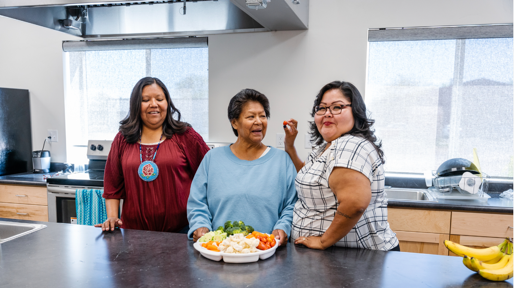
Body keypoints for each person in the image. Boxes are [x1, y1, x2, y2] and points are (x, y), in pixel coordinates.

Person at [283, 81, 399, 251]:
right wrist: (290, 147)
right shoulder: (327, 147)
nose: (327, 114)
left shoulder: (349, 145)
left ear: (356, 112)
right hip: (339, 257)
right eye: (322, 108)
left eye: (337, 107)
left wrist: (323, 241)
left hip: (356, 259)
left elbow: (355, 203)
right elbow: (313, 180)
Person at [95, 77, 210, 233]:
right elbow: (112, 185)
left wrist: (203, 221)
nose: (153, 104)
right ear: (136, 105)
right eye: (145, 100)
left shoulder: (186, 136)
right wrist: (113, 217)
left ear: (167, 103)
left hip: (182, 232)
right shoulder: (123, 139)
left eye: (159, 99)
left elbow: (209, 177)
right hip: (133, 234)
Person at [187, 89, 297, 246]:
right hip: (219, 251)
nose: (258, 121)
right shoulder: (212, 158)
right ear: (234, 122)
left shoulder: (282, 161)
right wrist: (200, 225)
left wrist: (283, 227)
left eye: (263, 116)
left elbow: (292, 204)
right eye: (251, 116)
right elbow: (197, 202)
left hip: (266, 250)